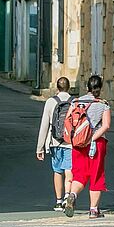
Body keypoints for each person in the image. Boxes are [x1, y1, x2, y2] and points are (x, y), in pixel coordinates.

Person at [64, 75, 111, 219]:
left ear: (87, 88)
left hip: (77, 144)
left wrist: (79, 138)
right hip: (96, 144)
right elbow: (106, 126)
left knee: (79, 174)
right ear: (100, 88)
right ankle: (93, 210)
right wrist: (92, 138)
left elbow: (68, 120)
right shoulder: (103, 104)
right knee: (96, 175)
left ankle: (72, 195)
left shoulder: (75, 102)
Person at [36, 77, 74, 211]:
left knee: (57, 171)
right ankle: (68, 196)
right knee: (69, 170)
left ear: (57, 88)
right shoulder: (74, 102)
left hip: (54, 141)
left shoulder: (51, 102)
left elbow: (44, 125)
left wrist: (39, 147)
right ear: (69, 88)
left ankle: (58, 201)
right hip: (71, 142)